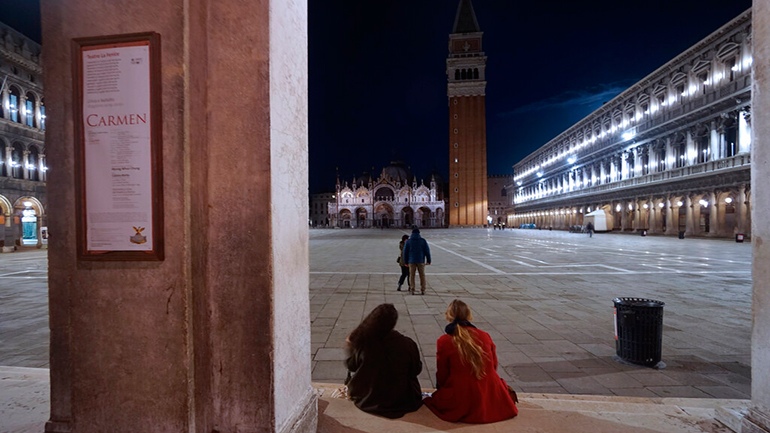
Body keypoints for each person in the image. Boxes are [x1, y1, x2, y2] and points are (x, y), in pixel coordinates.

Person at [423, 300, 518, 424]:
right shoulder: (485, 335)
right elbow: (493, 365)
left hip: (461, 394)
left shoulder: (445, 341)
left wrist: (442, 390)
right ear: (469, 315)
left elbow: (442, 373)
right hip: (488, 393)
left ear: (448, 315)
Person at [344, 304, 423, 418]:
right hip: (402, 399)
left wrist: (350, 347)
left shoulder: (364, 343)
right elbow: (416, 370)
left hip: (369, 398)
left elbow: (351, 366)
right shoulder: (408, 344)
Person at [402, 227, 431, 295]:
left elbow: (405, 252)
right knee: (422, 275)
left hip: (411, 261)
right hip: (421, 260)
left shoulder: (408, 241)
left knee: (412, 276)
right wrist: (429, 260)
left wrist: (405, 262)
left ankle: (412, 289)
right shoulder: (423, 241)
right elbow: (427, 251)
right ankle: (423, 289)